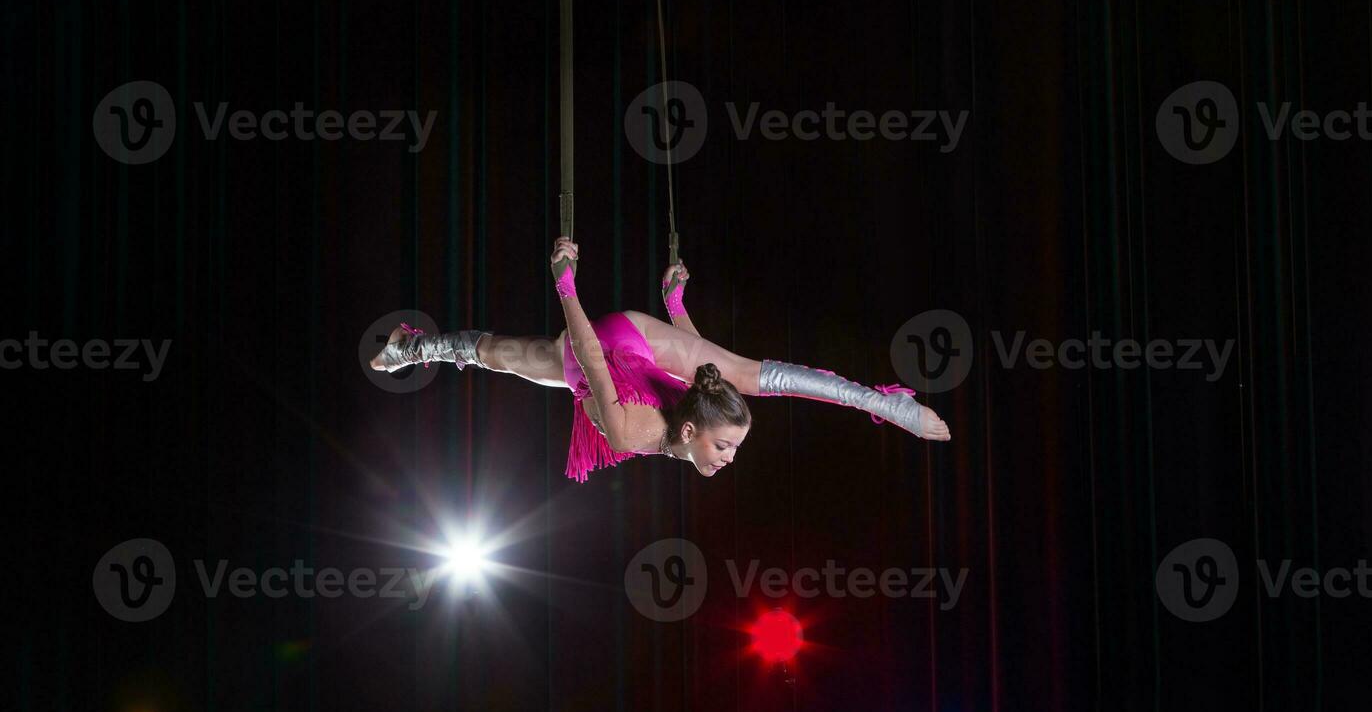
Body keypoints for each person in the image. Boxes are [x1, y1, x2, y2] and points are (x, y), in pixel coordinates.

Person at [371, 236, 950, 483]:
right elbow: (594, 362)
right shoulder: (630, 434)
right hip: (597, 350)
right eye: (726, 446)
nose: (728, 460)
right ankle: (879, 403)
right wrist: (566, 286)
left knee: (496, 356)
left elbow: (687, 368)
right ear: (695, 432)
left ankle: (414, 345)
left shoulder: (682, 415)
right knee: (748, 377)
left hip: (630, 349)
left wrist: (677, 305)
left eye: (729, 449)